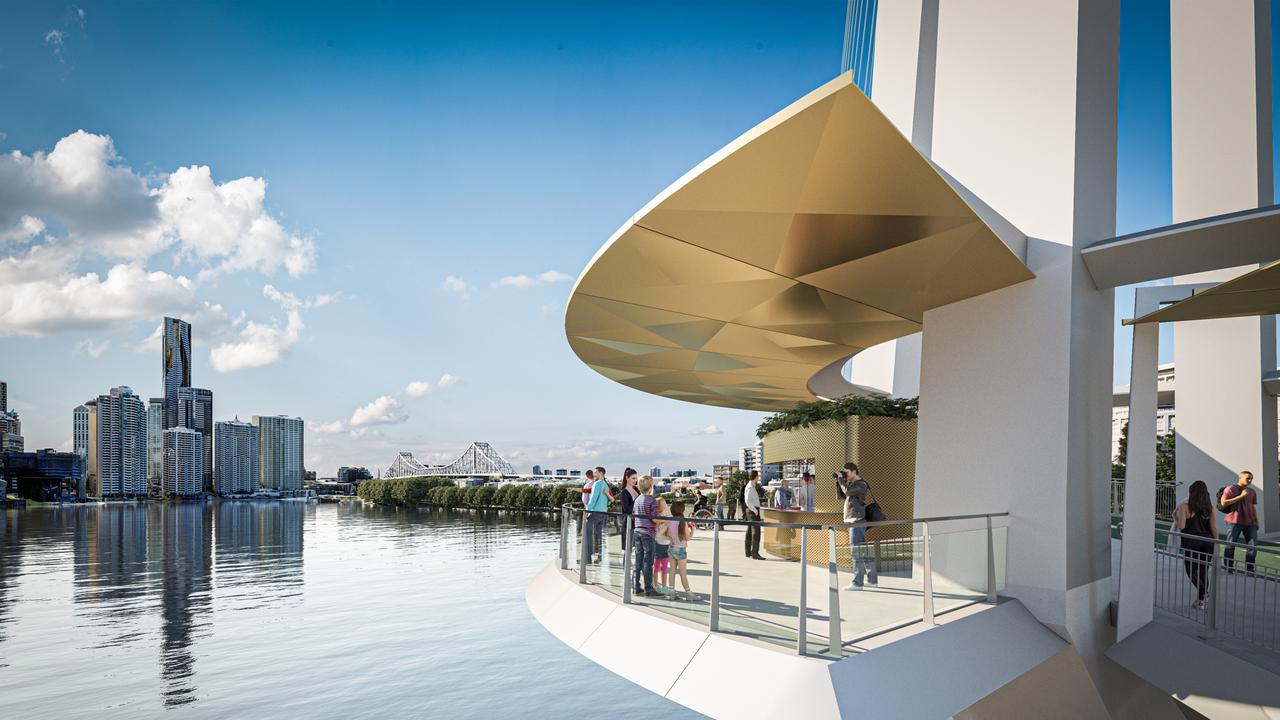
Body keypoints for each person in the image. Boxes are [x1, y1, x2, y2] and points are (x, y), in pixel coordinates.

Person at [1175, 480, 1218, 609]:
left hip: (1191, 542)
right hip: (1208, 541)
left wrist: (1174, 517)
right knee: (1204, 570)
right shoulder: (1210, 508)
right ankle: (1201, 601)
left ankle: (1204, 593)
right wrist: (1216, 543)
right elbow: (1214, 528)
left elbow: (1181, 526)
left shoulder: (1184, 507)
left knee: (1191, 571)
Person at [837, 462, 877, 589]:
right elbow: (841, 496)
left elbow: (847, 492)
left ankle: (857, 583)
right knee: (863, 551)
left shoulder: (861, 484)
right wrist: (839, 481)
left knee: (856, 552)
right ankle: (872, 580)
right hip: (854, 521)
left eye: (846, 472)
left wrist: (840, 479)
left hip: (857, 521)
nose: (845, 475)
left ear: (854, 472)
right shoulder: (853, 484)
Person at [1220, 470, 1258, 574]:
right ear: (1240, 478)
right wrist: (1241, 496)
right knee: (1230, 545)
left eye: (1251, 478)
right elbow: (1223, 502)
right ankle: (1229, 567)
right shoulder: (1231, 489)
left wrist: (1256, 521)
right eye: (1247, 478)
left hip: (1250, 523)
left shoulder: (1252, 492)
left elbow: (1253, 507)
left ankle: (1250, 569)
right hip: (1234, 521)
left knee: (1252, 546)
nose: (1250, 480)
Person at [631, 475, 661, 597]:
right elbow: (654, 519)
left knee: (638, 561)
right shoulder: (651, 500)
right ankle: (649, 589)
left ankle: (636, 587)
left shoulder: (637, 499)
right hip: (648, 533)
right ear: (650, 487)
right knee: (648, 562)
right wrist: (663, 521)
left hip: (637, 532)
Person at [665, 501, 698, 600]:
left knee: (672, 571)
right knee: (683, 573)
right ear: (682, 510)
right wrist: (692, 531)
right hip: (680, 550)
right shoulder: (683, 522)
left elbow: (667, 534)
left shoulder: (669, 521)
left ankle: (672, 593)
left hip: (671, 548)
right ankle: (689, 594)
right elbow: (687, 538)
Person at [584, 469, 613, 563]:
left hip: (595, 513)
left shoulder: (597, 484)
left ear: (601, 473)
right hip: (603, 514)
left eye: (595, 472)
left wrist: (587, 510)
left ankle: (588, 557)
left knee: (587, 533)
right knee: (599, 535)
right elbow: (609, 502)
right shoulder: (606, 485)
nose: (594, 474)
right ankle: (600, 556)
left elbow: (593, 499)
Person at [743, 470, 764, 560]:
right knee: (756, 532)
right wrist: (755, 510)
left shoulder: (751, 486)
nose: (758, 478)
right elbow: (748, 501)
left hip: (751, 510)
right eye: (758, 476)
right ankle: (755, 553)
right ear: (755, 477)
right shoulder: (750, 487)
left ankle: (748, 552)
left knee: (750, 532)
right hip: (752, 510)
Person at [653, 497, 672, 594]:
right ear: (659, 507)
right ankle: (655, 584)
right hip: (658, 544)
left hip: (666, 545)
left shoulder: (667, 516)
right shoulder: (657, 518)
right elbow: (657, 530)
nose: (666, 505)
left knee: (664, 567)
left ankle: (664, 586)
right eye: (664, 504)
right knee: (656, 567)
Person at [618, 468, 638, 550]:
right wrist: (637, 501)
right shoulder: (623, 492)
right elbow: (627, 510)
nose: (635, 480)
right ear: (627, 478)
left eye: (636, 478)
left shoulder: (636, 489)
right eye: (633, 478)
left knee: (637, 550)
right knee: (628, 551)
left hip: (637, 524)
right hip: (628, 524)